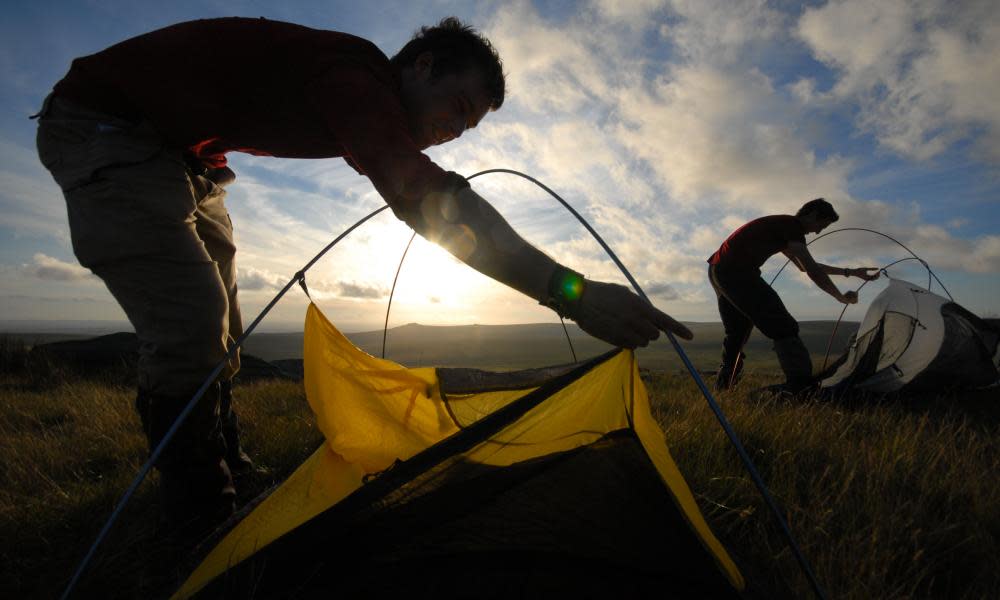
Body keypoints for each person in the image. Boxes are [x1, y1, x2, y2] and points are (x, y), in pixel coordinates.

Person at [35, 17, 693, 538]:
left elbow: (421, 196)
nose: (451, 132)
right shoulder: (354, 79)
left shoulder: (357, 94)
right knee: (191, 326)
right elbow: (425, 199)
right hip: (107, 129)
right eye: (456, 107)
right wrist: (572, 294)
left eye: (466, 128)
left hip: (185, 159)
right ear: (422, 65)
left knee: (224, 330)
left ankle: (228, 477)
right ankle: (199, 522)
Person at [707, 198, 878, 394]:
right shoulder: (791, 226)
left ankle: (723, 386)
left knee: (738, 330)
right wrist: (840, 297)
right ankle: (801, 386)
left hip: (718, 270)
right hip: (737, 272)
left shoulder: (781, 228)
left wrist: (851, 272)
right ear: (812, 214)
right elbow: (812, 270)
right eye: (821, 225)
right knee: (783, 326)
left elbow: (804, 266)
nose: (818, 232)